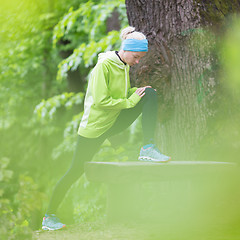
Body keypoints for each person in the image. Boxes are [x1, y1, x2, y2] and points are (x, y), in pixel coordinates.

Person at [42, 26, 171, 231]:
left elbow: (119, 94)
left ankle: (147, 147)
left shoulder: (123, 65)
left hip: (113, 120)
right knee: (75, 171)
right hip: (95, 129)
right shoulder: (104, 66)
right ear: (126, 50)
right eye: (136, 57)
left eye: (140, 58)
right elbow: (102, 100)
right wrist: (130, 102)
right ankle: (49, 217)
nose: (137, 62)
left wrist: (135, 92)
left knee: (149, 94)